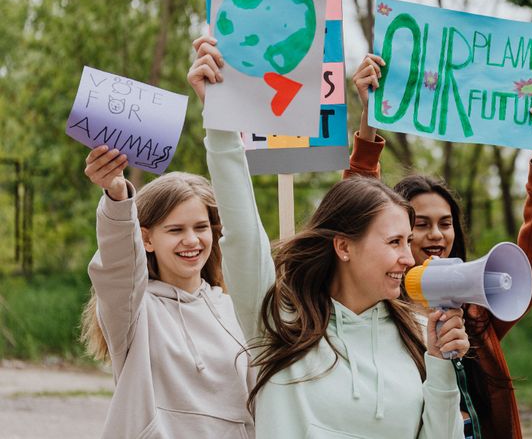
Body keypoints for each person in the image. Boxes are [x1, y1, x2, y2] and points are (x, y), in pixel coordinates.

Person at [188, 36, 468, 439]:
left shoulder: (419, 333)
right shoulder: (278, 320)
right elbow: (243, 231)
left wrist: (441, 364)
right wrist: (220, 120)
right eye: (394, 243)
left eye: (408, 242)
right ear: (343, 246)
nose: (409, 257)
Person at [346, 52, 532, 439]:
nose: (436, 235)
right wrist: (368, 119)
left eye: (445, 224)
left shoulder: (477, 312)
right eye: (421, 225)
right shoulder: (373, 307)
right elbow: (357, 210)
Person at [79, 145, 255, 439]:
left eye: (200, 227)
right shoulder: (133, 312)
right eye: (175, 230)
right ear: (146, 238)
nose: (191, 240)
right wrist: (117, 197)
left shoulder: (235, 310)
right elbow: (118, 267)